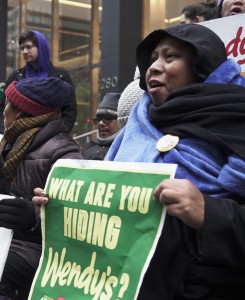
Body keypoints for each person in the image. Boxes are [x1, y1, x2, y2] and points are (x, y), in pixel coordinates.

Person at [32, 24, 245, 299]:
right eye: (153, 58)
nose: (154, 67)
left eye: (170, 57)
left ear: (202, 65)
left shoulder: (237, 119)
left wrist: (209, 213)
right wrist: (61, 210)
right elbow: (106, 207)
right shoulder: (137, 124)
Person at [0, 76, 83, 300]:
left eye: (7, 104)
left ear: (21, 112)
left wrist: (32, 216)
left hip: (38, 250)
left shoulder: (63, 151)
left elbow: (75, 214)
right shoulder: (9, 142)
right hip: (7, 239)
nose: (3, 110)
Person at [4, 30, 77, 132]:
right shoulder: (15, 77)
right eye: (22, 48)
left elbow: (70, 110)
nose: (25, 51)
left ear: (41, 48)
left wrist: (58, 133)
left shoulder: (61, 76)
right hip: (19, 137)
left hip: (52, 137)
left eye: (29, 47)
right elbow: (3, 106)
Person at [82, 92, 121, 160]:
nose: (101, 123)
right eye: (99, 119)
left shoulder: (124, 150)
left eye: (107, 118)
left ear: (120, 121)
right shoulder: (88, 146)